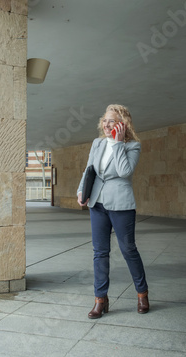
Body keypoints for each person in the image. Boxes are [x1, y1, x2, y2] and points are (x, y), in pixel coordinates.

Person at [77, 104, 149, 319]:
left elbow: (125, 172)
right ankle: (100, 299)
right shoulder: (97, 143)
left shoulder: (133, 146)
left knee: (128, 250)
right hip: (97, 203)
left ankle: (142, 293)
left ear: (122, 124)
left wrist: (117, 144)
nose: (107, 124)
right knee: (100, 253)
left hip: (121, 204)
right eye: (105, 120)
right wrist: (82, 189)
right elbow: (89, 169)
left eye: (112, 121)